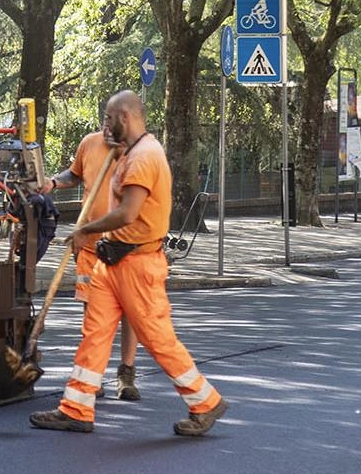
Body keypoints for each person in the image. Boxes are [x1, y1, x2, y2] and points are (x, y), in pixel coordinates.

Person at [30, 90, 227, 436]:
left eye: (108, 117)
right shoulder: (128, 152)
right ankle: (76, 409)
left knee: (158, 339)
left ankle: (206, 402)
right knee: (95, 333)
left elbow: (127, 213)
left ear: (124, 117)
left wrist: (85, 228)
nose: (104, 124)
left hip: (137, 264)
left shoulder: (144, 157)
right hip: (111, 261)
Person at [41, 128, 141, 401]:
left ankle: (126, 375)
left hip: (126, 244)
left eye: (113, 119)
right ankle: (93, 376)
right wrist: (52, 182)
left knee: (129, 311)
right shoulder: (89, 143)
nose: (108, 125)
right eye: (105, 118)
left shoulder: (138, 148)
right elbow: (74, 174)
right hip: (89, 245)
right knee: (94, 313)